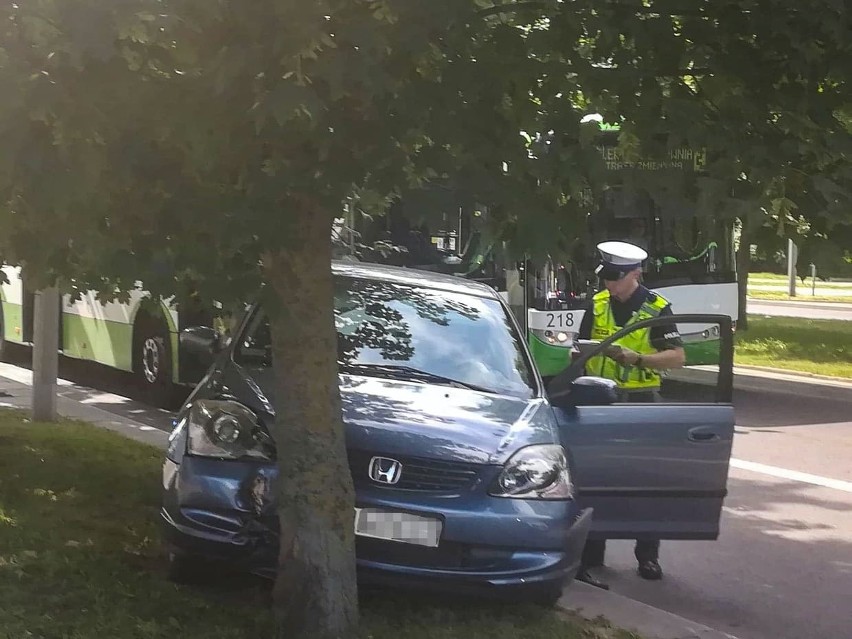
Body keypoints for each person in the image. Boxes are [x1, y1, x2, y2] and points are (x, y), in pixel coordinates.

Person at [573, 240, 686, 589]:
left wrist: (637, 359)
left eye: (616, 277)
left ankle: (647, 555)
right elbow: (579, 345)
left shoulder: (657, 308)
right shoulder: (597, 303)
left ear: (635, 274)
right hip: (598, 399)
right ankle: (591, 558)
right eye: (606, 277)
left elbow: (677, 357)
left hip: (641, 402)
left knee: (645, 480)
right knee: (595, 479)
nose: (609, 284)